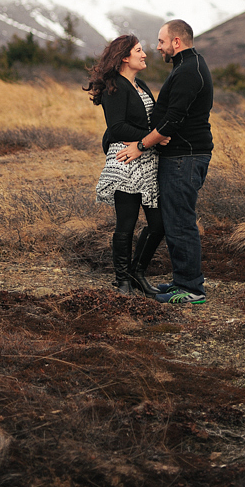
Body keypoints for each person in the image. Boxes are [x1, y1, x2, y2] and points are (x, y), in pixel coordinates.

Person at [115, 19, 213, 305]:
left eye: (161, 42)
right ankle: (184, 278)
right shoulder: (187, 66)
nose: (157, 47)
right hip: (183, 155)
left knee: (180, 222)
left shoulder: (188, 71)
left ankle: (192, 289)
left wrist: (142, 145)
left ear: (177, 42)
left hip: (186, 157)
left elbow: (173, 119)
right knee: (175, 220)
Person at [84, 34, 165, 296]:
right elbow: (117, 127)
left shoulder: (139, 84)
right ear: (125, 57)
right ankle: (122, 282)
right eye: (139, 50)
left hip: (147, 159)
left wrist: (154, 139)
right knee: (126, 225)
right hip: (125, 161)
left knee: (158, 224)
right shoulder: (115, 87)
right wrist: (149, 139)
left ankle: (136, 273)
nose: (144, 55)